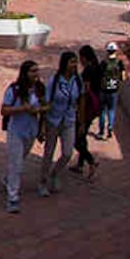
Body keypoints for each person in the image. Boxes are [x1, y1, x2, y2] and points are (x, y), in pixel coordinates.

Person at [2, 60, 48, 213]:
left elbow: (46, 106)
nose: (36, 74)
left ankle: (8, 178)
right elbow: (4, 110)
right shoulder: (14, 89)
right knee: (17, 165)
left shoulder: (39, 89)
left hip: (31, 131)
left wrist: (39, 114)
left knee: (21, 158)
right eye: (32, 71)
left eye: (37, 70)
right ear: (25, 73)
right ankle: (12, 197)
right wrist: (22, 108)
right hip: (16, 131)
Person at [40, 51, 82, 197]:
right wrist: (43, 125)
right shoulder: (55, 81)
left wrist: (81, 121)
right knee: (49, 152)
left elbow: (81, 99)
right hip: (53, 120)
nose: (74, 65)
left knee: (67, 152)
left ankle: (55, 173)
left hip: (69, 120)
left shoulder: (77, 81)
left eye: (76, 62)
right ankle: (43, 181)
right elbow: (46, 102)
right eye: (72, 62)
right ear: (64, 64)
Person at [70, 45, 102, 178]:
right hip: (95, 106)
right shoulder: (98, 67)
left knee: (76, 138)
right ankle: (80, 164)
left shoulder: (88, 70)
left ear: (84, 57)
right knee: (82, 136)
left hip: (86, 107)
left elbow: (86, 89)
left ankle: (90, 160)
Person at [97, 42, 125, 139]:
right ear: (116, 51)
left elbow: (99, 75)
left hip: (104, 90)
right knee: (112, 110)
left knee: (102, 111)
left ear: (107, 51)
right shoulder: (119, 62)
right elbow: (123, 77)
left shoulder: (104, 63)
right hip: (114, 90)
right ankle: (110, 126)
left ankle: (101, 131)